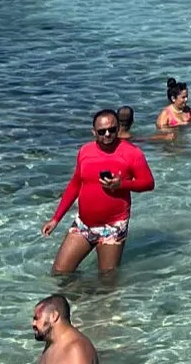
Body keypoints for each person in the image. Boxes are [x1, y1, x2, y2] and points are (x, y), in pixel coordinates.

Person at [41, 109, 156, 275]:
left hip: (113, 226)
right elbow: (75, 185)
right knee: (59, 273)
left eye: (112, 129)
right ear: (94, 132)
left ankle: (102, 301)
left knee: (106, 282)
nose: (108, 134)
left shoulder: (132, 153)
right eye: (102, 131)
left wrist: (121, 184)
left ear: (118, 129)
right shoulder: (85, 151)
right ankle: (78, 299)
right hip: (84, 224)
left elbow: (148, 183)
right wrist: (56, 219)